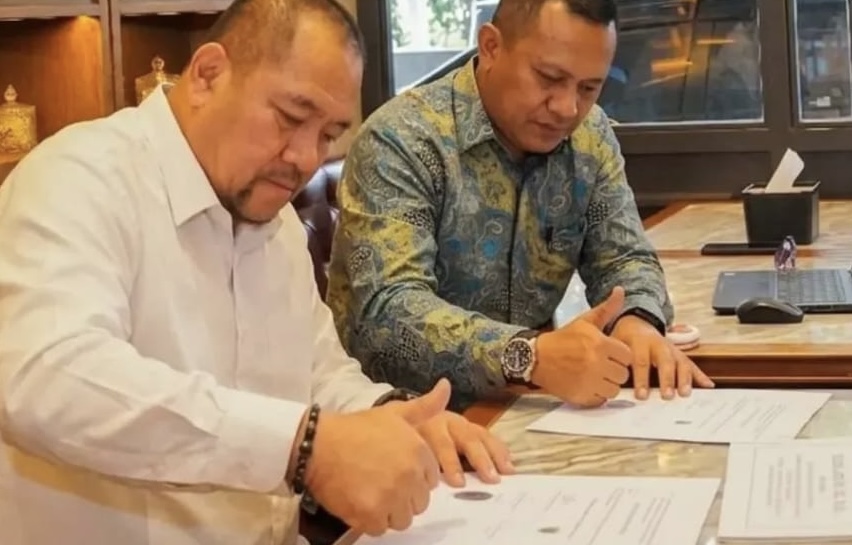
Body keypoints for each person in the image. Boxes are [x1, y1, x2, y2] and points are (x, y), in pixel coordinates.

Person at [0, 1, 514, 544]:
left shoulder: (272, 216)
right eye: (290, 117)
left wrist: (389, 418)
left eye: (328, 134)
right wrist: (302, 447)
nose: (305, 158)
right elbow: (44, 379)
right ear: (208, 75)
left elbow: (316, 371)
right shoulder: (78, 177)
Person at [326, 0, 715, 412]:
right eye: (549, 78)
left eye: (588, 88)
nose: (567, 108)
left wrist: (636, 320)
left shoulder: (590, 137)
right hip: (400, 416)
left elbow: (625, 257)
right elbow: (389, 313)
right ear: (491, 47)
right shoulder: (402, 140)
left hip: (525, 407)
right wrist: (530, 356)